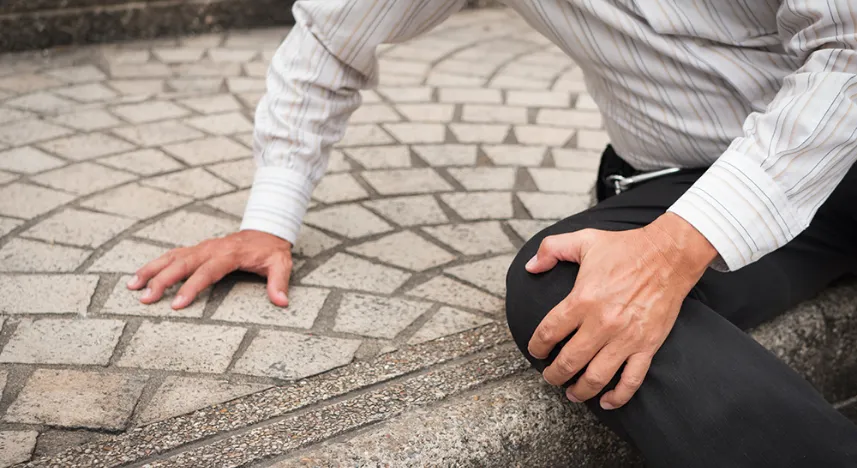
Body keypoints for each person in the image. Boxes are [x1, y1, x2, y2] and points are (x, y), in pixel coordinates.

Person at [127, 0, 857, 465]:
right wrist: (267, 219)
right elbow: (331, 35)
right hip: (682, 179)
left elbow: (847, 46)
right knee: (562, 285)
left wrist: (678, 247)